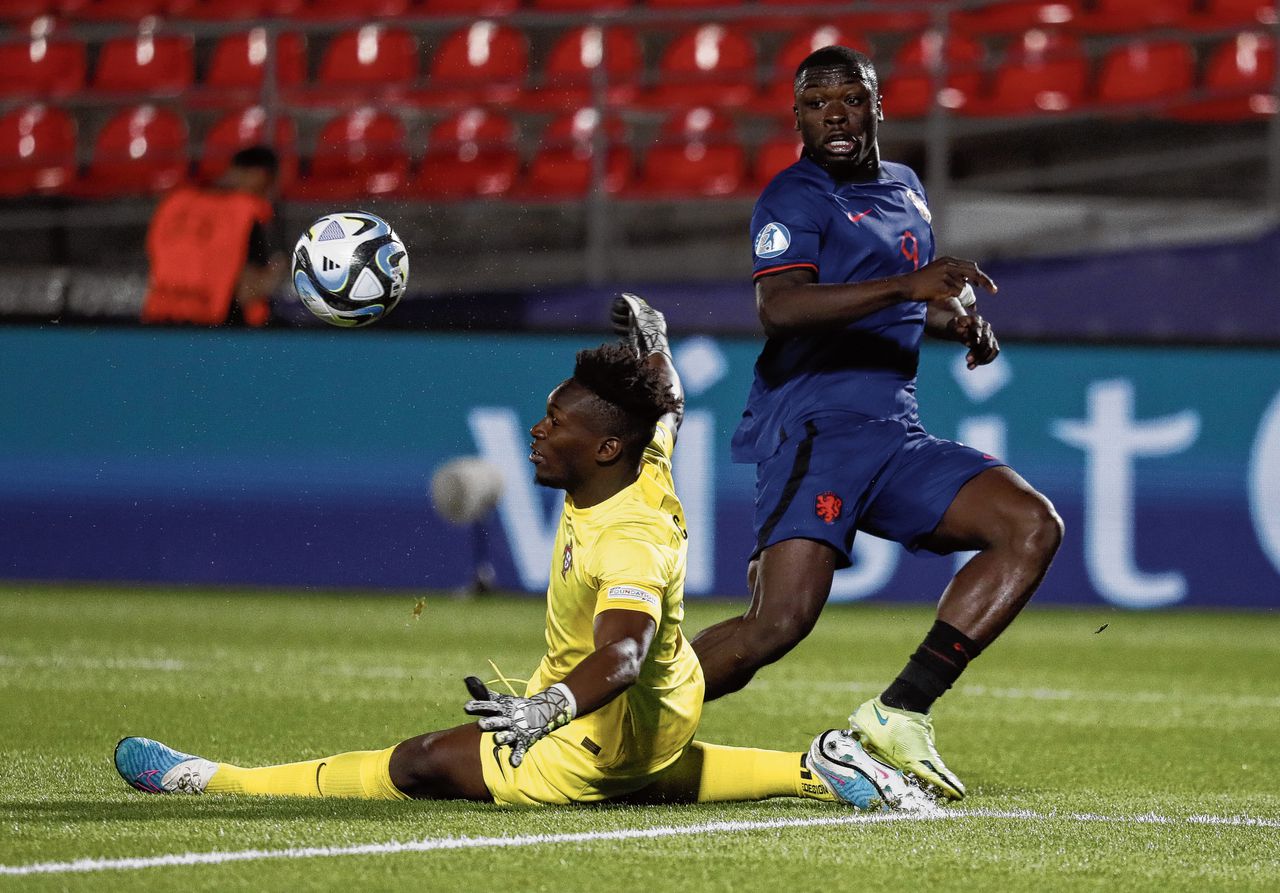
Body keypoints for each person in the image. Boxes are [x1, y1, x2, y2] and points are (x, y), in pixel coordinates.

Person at [113, 295, 933, 814]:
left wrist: (543, 712)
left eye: (556, 426)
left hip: (600, 724)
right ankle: (812, 768)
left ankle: (209, 780)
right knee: (654, 752)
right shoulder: (643, 460)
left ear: (604, 445)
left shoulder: (631, 538)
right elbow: (670, 405)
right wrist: (656, 348)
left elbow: (621, 650)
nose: (538, 433)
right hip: (667, 697)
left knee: (420, 764)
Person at [690, 46, 1064, 802]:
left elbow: (894, 300)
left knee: (1031, 525)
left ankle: (900, 710)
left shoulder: (906, 188)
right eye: (816, 100)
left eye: (850, 97)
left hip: (894, 430)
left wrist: (948, 318)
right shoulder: (792, 197)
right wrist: (910, 287)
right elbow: (783, 307)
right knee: (778, 623)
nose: (834, 111)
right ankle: (605, 719)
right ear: (796, 116)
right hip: (816, 426)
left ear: (876, 107)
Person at [140, 145, 285, 327]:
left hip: (160, 320)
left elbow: (152, 257)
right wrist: (276, 278)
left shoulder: (175, 202)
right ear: (260, 176)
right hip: (217, 328)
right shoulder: (246, 212)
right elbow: (249, 290)